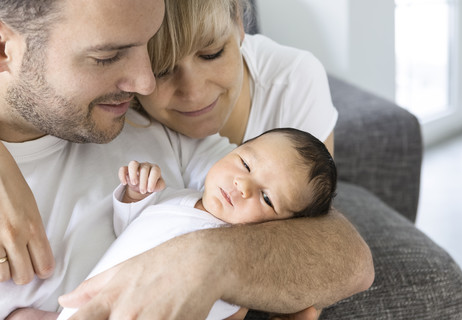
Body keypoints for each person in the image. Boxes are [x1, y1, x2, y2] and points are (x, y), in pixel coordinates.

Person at [0, 0, 373, 319]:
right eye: (107, 57)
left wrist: (208, 261)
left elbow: (349, 258)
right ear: (4, 48)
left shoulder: (147, 124)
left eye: (148, 47)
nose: (146, 84)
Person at [59, 127, 338, 320]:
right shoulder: (174, 197)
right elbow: (127, 231)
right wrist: (135, 194)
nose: (243, 185)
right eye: (245, 164)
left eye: (266, 198)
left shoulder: (236, 259)